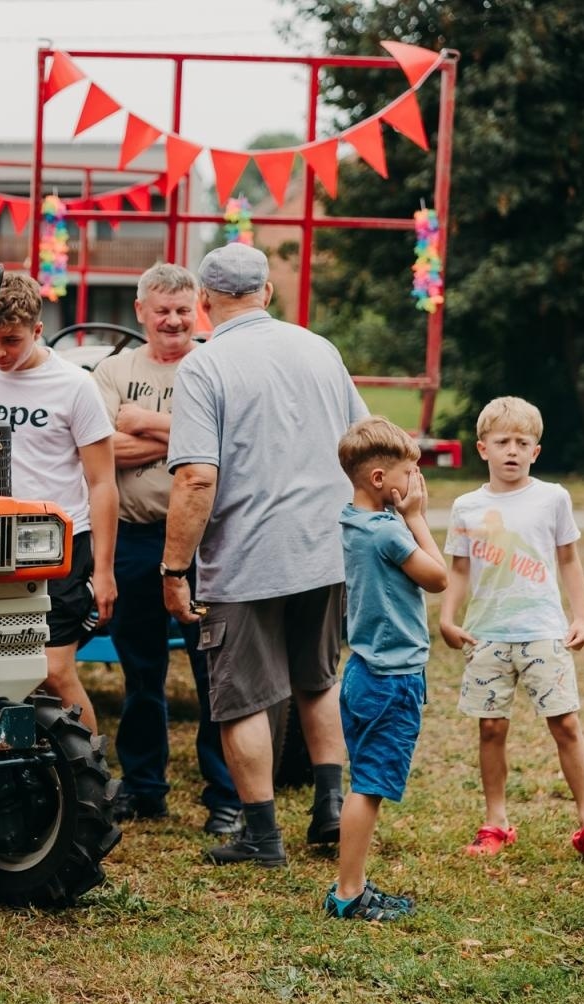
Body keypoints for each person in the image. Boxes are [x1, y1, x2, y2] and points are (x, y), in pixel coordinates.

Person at [162, 243, 368, 867]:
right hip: (326, 546)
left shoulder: (205, 365)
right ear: (268, 293)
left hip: (248, 555)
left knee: (243, 697)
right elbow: (362, 444)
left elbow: (197, 477)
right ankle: (330, 807)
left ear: (202, 302)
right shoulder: (320, 349)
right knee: (317, 678)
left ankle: (261, 835)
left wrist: (174, 569)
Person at [439, 396, 584, 864]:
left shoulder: (552, 498)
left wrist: (580, 616)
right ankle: (496, 823)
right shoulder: (467, 506)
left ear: (536, 452)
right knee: (491, 729)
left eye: (523, 443)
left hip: (544, 632)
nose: (512, 450)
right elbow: (459, 570)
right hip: (487, 636)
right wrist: (447, 618)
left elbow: (569, 559)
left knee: (565, 723)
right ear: (483, 448)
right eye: (502, 441)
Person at [91, 264, 242, 834]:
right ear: (141, 312)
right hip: (134, 537)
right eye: (163, 310)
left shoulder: (214, 364)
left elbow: (223, 447)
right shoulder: (112, 370)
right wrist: (181, 434)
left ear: (196, 310)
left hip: (205, 541)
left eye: (183, 310)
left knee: (213, 669)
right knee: (141, 669)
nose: (174, 321)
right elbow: (103, 453)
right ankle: (144, 786)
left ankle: (225, 796)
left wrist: (146, 421)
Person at [0, 271, 118, 733]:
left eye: (12, 341)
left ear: (38, 331)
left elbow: (102, 482)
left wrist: (104, 569)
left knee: (54, 671)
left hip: (57, 543)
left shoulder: (75, 386)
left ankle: (89, 778)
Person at [326, 416, 448, 921]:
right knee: (369, 788)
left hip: (362, 672)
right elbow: (438, 577)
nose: (414, 483)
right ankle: (348, 893)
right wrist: (416, 516)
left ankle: (351, 884)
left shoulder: (353, 521)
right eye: (409, 473)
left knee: (365, 781)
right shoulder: (388, 534)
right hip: (390, 678)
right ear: (379, 480)